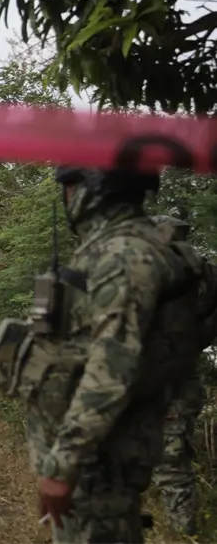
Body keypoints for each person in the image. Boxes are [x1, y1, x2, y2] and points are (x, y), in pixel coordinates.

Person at [0, 166, 202, 544]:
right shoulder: (114, 249)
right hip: (93, 466)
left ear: (98, 188)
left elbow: (114, 367)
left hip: (99, 464)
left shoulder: (125, 256)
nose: (66, 197)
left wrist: (64, 463)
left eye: (71, 186)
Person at [149, 214, 217, 536]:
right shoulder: (207, 275)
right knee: (172, 461)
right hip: (182, 378)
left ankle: (183, 534)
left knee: (170, 464)